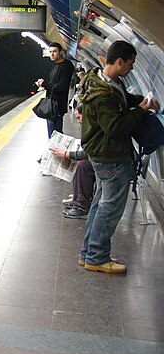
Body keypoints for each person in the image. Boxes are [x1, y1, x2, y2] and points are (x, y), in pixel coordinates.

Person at [78, 40, 159, 273]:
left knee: (99, 204)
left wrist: (141, 102)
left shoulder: (106, 82)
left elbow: (123, 98)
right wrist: (142, 112)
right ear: (120, 62)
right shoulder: (103, 95)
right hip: (110, 156)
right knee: (110, 208)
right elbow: (116, 127)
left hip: (101, 154)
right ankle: (97, 256)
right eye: (131, 65)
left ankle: (88, 253)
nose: (132, 69)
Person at [49, 105, 95, 219]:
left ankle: (81, 206)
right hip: (104, 159)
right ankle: (78, 199)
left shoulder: (96, 128)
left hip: (109, 163)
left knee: (83, 165)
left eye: (79, 118)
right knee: (81, 163)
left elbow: (91, 152)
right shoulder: (92, 126)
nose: (79, 122)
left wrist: (67, 154)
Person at [35, 42, 75, 137]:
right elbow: (52, 83)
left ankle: (55, 150)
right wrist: (43, 84)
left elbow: (61, 87)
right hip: (51, 106)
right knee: (52, 133)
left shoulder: (66, 66)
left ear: (61, 52)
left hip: (57, 106)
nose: (52, 54)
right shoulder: (55, 65)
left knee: (55, 134)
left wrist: (44, 83)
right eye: (50, 52)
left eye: (55, 52)